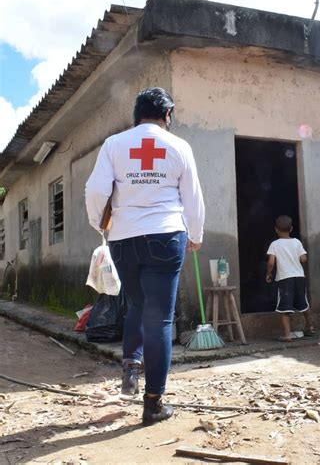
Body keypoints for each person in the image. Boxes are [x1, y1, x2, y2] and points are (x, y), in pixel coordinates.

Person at [85, 87, 205, 426]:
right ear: (167, 114)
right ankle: (152, 404)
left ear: (136, 114)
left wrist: (99, 224)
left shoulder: (114, 144)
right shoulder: (179, 145)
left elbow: (96, 190)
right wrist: (195, 235)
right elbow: (192, 197)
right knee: (160, 319)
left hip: (124, 239)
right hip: (166, 236)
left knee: (136, 303)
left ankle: (130, 368)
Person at [265, 215, 314, 342]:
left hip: (285, 279)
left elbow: (271, 262)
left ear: (276, 229)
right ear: (291, 228)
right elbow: (304, 259)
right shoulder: (297, 242)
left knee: (284, 308)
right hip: (299, 277)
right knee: (304, 304)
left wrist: (269, 274)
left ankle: (287, 335)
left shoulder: (275, 244)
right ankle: (310, 327)